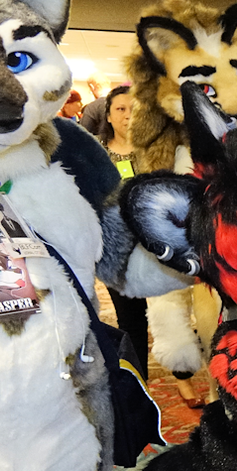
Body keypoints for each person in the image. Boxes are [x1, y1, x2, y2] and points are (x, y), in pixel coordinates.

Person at [98, 86, 149, 380]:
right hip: (116, 250)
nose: (128, 115)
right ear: (108, 114)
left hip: (156, 245)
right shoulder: (97, 154)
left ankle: (184, 379)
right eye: (120, 109)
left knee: (174, 313)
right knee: (132, 321)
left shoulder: (155, 152)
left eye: (134, 109)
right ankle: (139, 381)